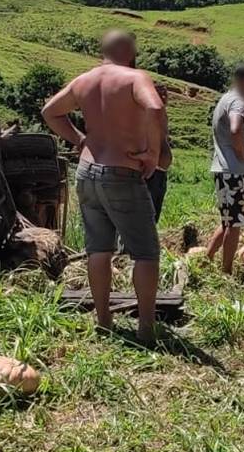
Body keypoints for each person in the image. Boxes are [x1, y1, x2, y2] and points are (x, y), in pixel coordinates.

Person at [41, 29, 166, 342]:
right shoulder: (136, 78)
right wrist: (151, 153)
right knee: (146, 253)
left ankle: (104, 322)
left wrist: (80, 139)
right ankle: (147, 329)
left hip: (86, 171)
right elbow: (154, 108)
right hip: (121, 173)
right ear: (131, 52)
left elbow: (50, 112)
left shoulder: (85, 80)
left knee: (98, 250)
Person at [206, 63, 244, 273]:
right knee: (234, 225)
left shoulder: (235, 99)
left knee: (229, 221)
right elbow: (235, 129)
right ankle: (226, 271)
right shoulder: (237, 102)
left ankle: (208, 257)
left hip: (229, 170)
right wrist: (242, 153)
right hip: (234, 170)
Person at [147, 84, 173, 223]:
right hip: (150, 173)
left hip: (159, 173)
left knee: (152, 219)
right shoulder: (147, 114)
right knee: (145, 220)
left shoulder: (162, 114)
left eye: (165, 94)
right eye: (159, 94)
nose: (163, 97)